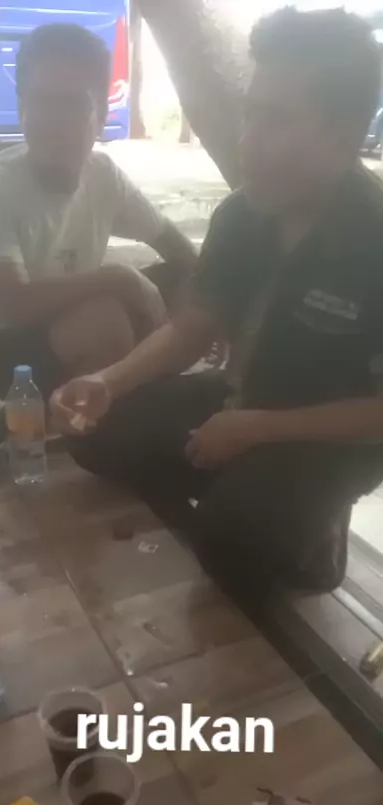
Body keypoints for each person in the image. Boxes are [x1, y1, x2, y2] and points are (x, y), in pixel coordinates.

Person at [52, 8, 383, 595]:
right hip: (240, 397)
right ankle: (245, 485)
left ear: (346, 135)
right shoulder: (243, 215)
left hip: (330, 435)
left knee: (233, 545)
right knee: (92, 432)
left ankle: (307, 523)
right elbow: (191, 331)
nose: (247, 142)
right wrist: (108, 380)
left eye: (276, 121)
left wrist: (257, 429)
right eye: (251, 113)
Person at [0, 24, 196, 401]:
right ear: (22, 108)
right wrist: (118, 278)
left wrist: (209, 309)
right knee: (104, 320)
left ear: (102, 114)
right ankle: (107, 417)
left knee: (183, 283)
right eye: (41, 101)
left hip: (63, 323)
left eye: (73, 104)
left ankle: (132, 391)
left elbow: (172, 243)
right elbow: (15, 304)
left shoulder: (102, 174)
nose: (54, 122)